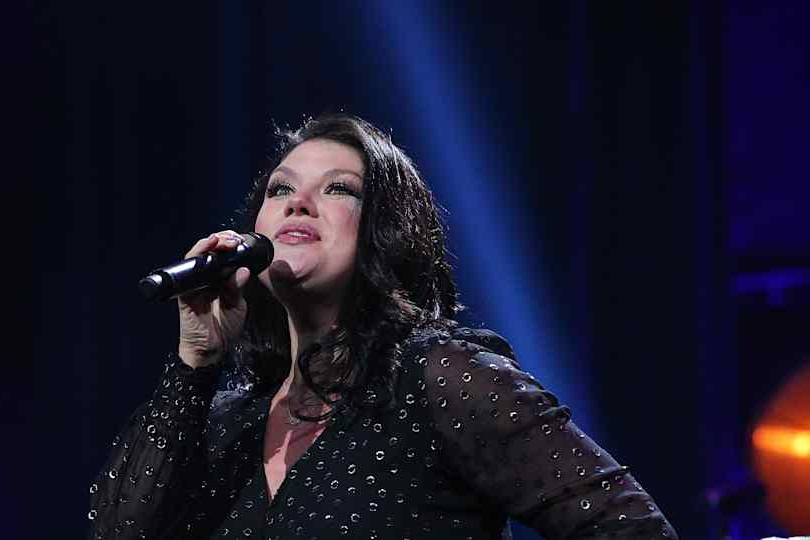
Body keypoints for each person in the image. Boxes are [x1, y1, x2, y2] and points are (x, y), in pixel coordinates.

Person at [88, 114, 678, 539]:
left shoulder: (441, 377)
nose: (298, 203)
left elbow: (629, 528)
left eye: (338, 189)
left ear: (385, 230)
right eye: (281, 188)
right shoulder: (227, 422)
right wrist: (195, 361)